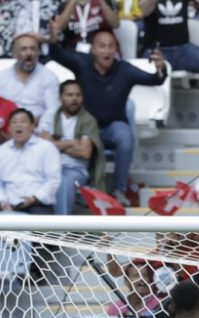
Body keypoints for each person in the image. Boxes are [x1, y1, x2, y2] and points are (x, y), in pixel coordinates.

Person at [51, 30, 166, 200]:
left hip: (113, 127)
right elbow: (57, 55)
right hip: (86, 128)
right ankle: (85, 191)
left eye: (111, 46)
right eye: (102, 46)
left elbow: (155, 79)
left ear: (116, 51)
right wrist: (54, 37)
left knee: (125, 135)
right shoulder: (82, 63)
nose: (107, 50)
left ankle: (119, 190)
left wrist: (160, 66)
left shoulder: (124, 69)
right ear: (93, 50)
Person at [141, 0, 199, 130]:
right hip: (158, 50)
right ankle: (152, 115)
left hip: (184, 48)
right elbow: (143, 9)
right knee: (144, 67)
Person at [37, 80, 104, 216]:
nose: (74, 99)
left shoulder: (88, 120)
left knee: (63, 180)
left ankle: (60, 229)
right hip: (48, 167)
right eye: (70, 95)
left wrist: (55, 144)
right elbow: (42, 145)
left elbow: (85, 152)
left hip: (75, 169)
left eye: (78, 95)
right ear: (60, 97)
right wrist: (73, 143)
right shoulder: (50, 116)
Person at [0, 108, 61, 213]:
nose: (18, 125)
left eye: (23, 121)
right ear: (9, 128)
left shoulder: (47, 148)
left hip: (37, 204)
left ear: (32, 126)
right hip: (7, 205)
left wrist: (34, 198)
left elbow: (53, 181)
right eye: (14, 122)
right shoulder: (0, 151)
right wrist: (2, 201)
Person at [0, 34, 60, 121]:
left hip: (40, 129)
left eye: (33, 49)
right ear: (14, 53)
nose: (29, 53)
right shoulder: (1, 78)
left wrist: (31, 124)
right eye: (24, 49)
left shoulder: (49, 77)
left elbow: (53, 110)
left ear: (38, 53)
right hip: (8, 127)